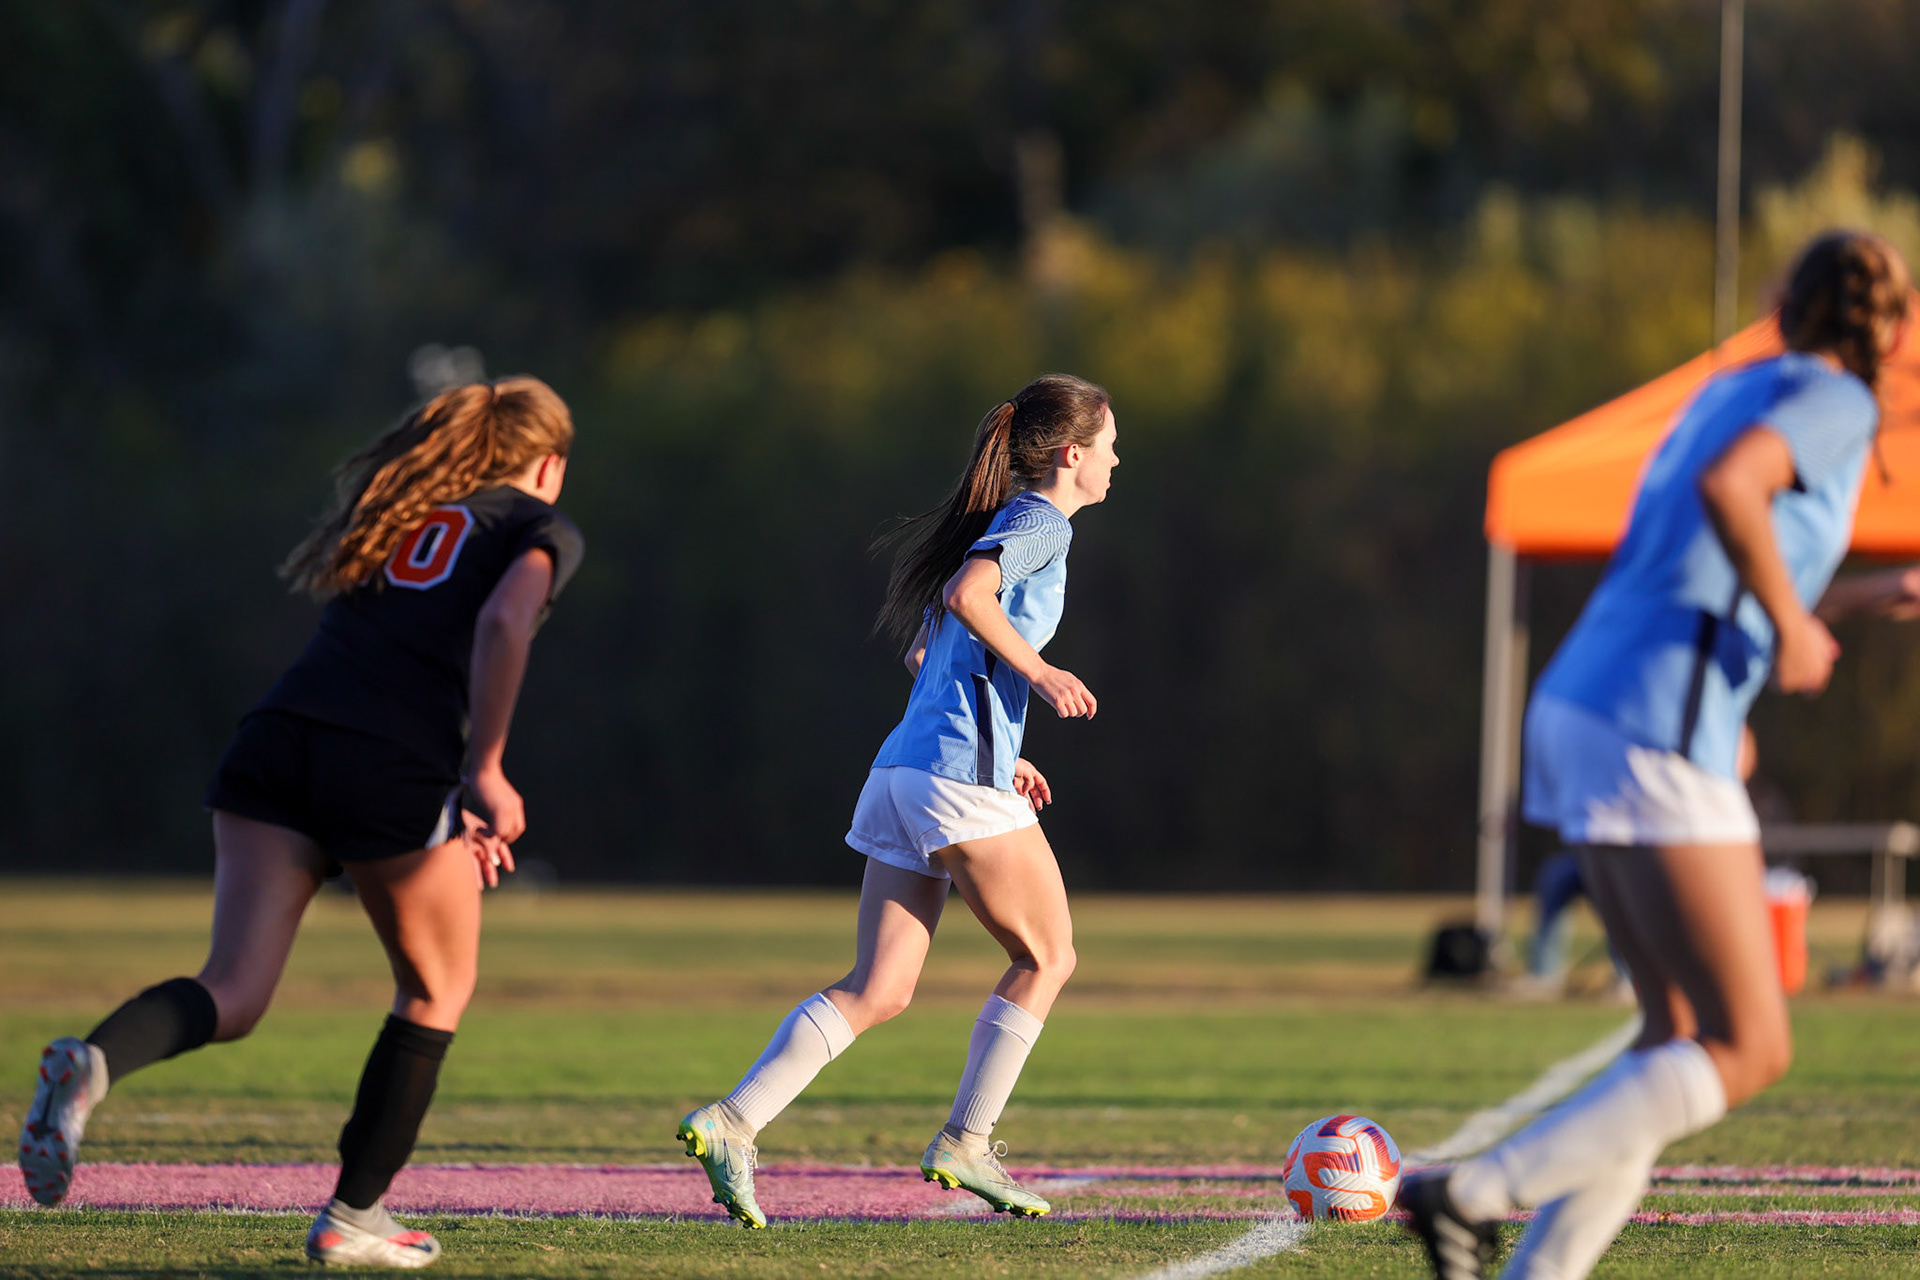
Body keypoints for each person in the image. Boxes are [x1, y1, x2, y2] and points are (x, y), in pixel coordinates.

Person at [1402, 231, 1911, 1280]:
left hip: (1588, 699)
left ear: (1787, 302)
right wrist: (1795, 620)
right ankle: (1472, 1190)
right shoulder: (1836, 398)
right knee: (1751, 1043)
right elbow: (1737, 493)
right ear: (1890, 331)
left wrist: (1850, 600)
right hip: (1656, 722)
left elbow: (1697, 560)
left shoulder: (1728, 389)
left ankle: (1538, 1271)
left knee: (1671, 1032)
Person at [16, 377, 583, 1269]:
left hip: (277, 742)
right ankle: (354, 1216)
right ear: (548, 463)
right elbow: (505, 622)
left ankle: (93, 1065)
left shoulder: (407, 511)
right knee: (435, 989)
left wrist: (442, 798)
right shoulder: (535, 526)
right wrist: (482, 771)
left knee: (232, 990)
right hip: (389, 763)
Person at [676, 373, 1117, 1227]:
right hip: (954, 779)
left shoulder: (1000, 525)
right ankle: (967, 1141)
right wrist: (1039, 674)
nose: (1115, 460)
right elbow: (965, 602)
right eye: (1108, 445)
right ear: (1071, 455)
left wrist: (1005, 745)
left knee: (879, 988)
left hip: (905, 771)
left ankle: (732, 1123)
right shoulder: (1039, 523)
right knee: (1049, 958)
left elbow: (929, 652)